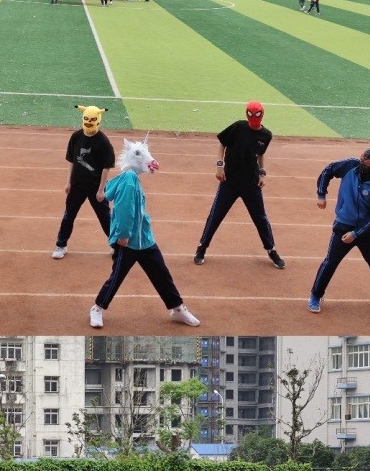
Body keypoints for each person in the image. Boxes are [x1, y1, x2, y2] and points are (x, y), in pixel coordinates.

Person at [90, 139, 201, 329]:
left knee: (161, 274)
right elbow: (124, 209)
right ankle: (97, 308)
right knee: (117, 276)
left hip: (145, 240)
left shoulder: (132, 178)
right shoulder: (129, 180)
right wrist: (123, 234)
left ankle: (177, 308)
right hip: (129, 241)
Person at [194, 101, 282, 268]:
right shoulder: (238, 127)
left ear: (262, 115)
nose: (253, 118)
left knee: (260, 218)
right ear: (247, 114)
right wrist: (219, 166)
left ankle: (271, 250)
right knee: (216, 215)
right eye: (251, 115)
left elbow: (260, 155)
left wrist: (262, 173)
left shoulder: (266, 135)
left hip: (251, 183)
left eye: (256, 115)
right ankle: (202, 247)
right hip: (230, 182)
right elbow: (222, 144)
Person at [309, 147, 370, 313]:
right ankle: (316, 295)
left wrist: (356, 233)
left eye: (367, 162)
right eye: (362, 158)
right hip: (343, 225)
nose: (362, 163)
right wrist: (321, 194)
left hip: (366, 231)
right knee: (330, 262)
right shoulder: (350, 165)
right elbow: (329, 170)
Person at [53, 105, 114, 258]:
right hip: (77, 185)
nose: (88, 122)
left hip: (96, 187)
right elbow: (72, 161)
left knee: (105, 217)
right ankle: (61, 245)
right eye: (86, 119)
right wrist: (68, 182)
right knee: (69, 215)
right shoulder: (76, 137)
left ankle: (115, 245)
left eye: (92, 119)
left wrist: (101, 190)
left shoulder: (103, 142)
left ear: (98, 120)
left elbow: (106, 167)